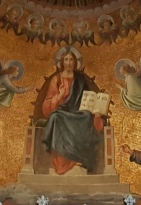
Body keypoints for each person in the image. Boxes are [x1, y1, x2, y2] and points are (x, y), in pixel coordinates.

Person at [41, 46, 105, 174]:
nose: (69, 62)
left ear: (75, 62)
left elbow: (88, 97)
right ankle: (61, 162)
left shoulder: (80, 79)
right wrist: (60, 95)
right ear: (62, 62)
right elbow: (47, 105)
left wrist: (95, 109)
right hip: (62, 112)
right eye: (66, 60)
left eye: (71, 60)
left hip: (78, 112)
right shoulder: (56, 79)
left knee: (87, 116)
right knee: (55, 117)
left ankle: (79, 159)